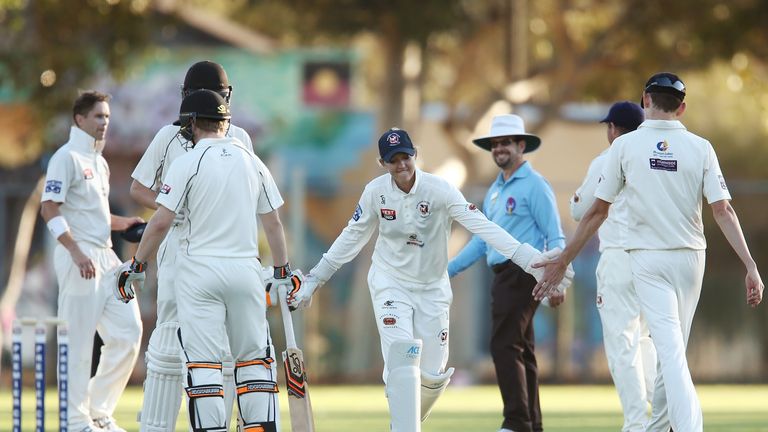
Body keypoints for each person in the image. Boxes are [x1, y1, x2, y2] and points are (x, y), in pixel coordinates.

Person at [287, 127, 572, 432]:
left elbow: (484, 228)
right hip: (390, 282)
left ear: (415, 155)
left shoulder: (441, 190)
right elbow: (350, 238)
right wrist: (315, 279)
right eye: (393, 160)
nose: (401, 166)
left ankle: (403, 409)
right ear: (383, 164)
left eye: (406, 157)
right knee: (403, 357)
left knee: (431, 374)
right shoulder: (375, 192)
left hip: (432, 289)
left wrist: (531, 261)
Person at [534, 72, 764, 432]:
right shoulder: (701, 146)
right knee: (670, 349)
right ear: (682, 107)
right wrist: (750, 265)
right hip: (691, 259)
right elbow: (723, 210)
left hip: (647, 258)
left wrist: (562, 260)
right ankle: (659, 427)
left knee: (667, 352)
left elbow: (594, 211)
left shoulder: (624, 147)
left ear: (645, 100)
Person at [115, 89, 298, 432]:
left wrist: (138, 265)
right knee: (254, 360)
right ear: (226, 122)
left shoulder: (187, 162)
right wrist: (283, 270)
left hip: (199, 275)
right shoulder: (252, 160)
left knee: (205, 366)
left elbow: (161, 222)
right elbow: (272, 221)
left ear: (191, 124)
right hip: (246, 272)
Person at [128, 60, 256, 431]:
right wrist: (173, 207)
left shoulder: (240, 138)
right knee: (169, 341)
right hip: (178, 251)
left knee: (228, 351)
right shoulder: (168, 137)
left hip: (227, 252)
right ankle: (157, 425)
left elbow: (251, 194)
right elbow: (138, 188)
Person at [447, 114, 567, 432]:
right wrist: (449, 269)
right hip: (503, 274)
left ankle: (516, 423)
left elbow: (555, 236)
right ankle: (530, 423)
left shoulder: (534, 185)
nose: (499, 148)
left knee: (504, 345)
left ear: (521, 145)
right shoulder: (494, 192)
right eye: (495, 144)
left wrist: (556, 282)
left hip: (524, 272)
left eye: (506, 143)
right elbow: (482, 239)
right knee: (521, 349)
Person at [40, 91, 144, 432]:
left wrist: (122, 223)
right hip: (78, 256)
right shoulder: (65, 157)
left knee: (129, 333)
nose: (104, 123)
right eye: (98, 116)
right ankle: (74, 421)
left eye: (108, 117)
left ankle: (98, 411)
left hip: (104, 254)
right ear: (80, 119)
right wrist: (74, 251)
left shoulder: (99, 163)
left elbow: (92, 215)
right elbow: (50, 208)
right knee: (80, 342)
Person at [570, 101, 656, 432]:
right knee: (646, 340)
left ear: (612, 129)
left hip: (619, 257)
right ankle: (670, 414)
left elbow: (579, 211)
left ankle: (637, 424)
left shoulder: (607, 159)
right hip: (654, 260)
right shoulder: (654, 162)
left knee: (622, 346)